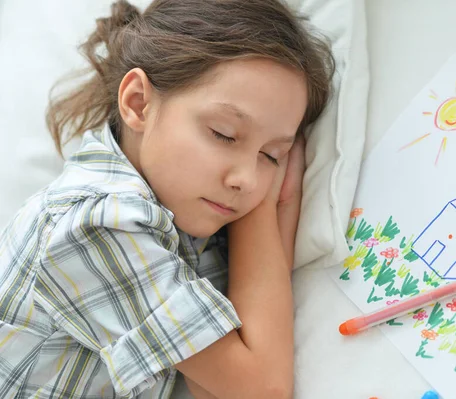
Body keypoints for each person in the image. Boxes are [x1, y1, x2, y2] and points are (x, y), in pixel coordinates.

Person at [0, 0, 334, 397]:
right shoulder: (96, 224)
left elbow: (219, 385)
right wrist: (263, 208)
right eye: (224, 134)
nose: (246, 178)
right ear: (138, 102)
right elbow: (262, 389)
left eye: (272, 156)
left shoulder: (187, 217)